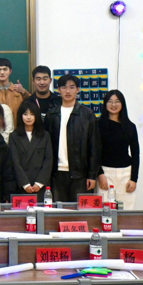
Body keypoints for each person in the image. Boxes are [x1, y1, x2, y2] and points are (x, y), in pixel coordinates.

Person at [45, 75, 101, 203]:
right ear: (58, 90)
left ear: (78, 89)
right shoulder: (51, 115)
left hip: (80, 175)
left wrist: (92, 175)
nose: (68, 91)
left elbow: (94, 147)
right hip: (56, 174)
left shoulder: (87, 115)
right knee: (58, 211)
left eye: (72, 87)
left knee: (81, 211)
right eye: (64, 87)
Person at [97, 90, 139, 209]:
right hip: (106, 173)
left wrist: (133, 179)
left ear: (122, 104)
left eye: (117, 101)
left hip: (126, 173)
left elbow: (136, 154)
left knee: (126, 209)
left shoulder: (130, 127)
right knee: (104, 210)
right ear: (105, 104)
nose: (113, 105)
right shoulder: (98, 125)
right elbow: (94, 152)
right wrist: (100, 174)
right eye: (110, 101)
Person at [9, 101, 53, 197]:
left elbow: (48, 160)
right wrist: (25, 184)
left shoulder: (45, 135)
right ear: (20, 116)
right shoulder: (14, 136)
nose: (28, 117)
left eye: (32, 114)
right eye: (25, 114)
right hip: (22, 185)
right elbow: (15, 162)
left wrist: (40, 182)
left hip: (41, 185)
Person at [0, 58, 30, 127]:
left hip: (18, 130)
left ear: (10, 71)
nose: (2, 72)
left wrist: (24, 92)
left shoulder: (18, 90)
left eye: (5, 69)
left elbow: (33, 105)